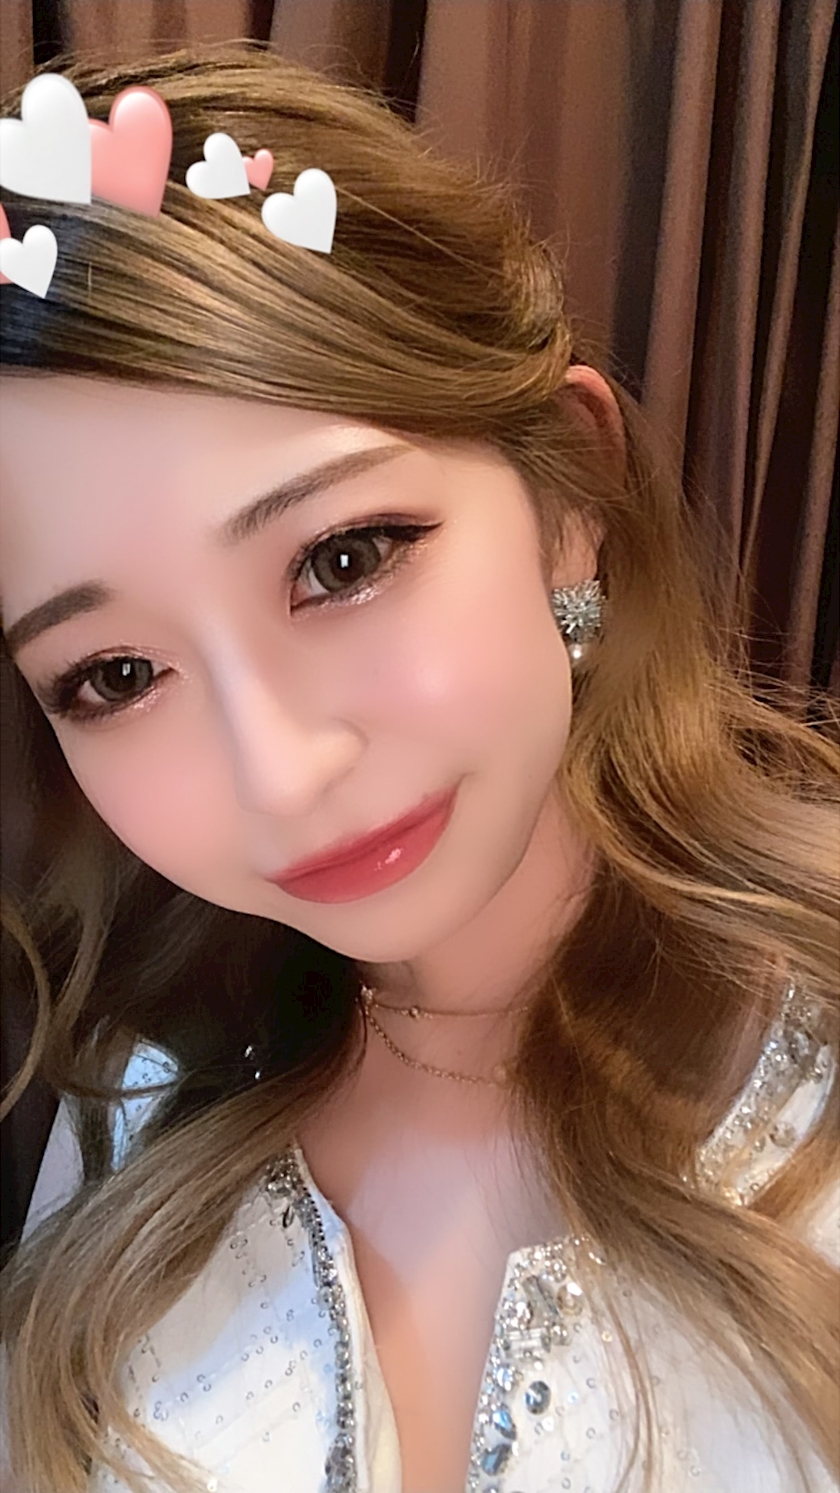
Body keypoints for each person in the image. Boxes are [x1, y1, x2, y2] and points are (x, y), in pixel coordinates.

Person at [0, 40, 837, 1493]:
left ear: (568, 498)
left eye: (343, 560)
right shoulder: (136, 1093)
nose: (280, 773)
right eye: (117, 676)